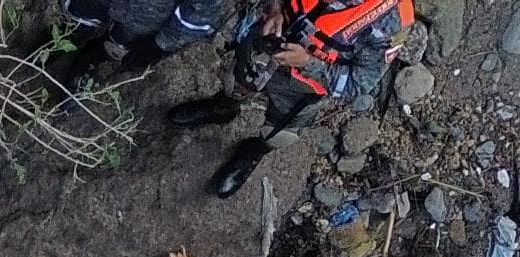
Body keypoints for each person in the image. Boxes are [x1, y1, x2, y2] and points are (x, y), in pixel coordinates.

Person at [168, 0, 413, 196]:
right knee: (236, 81)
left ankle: (254, 151)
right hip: (264, 45)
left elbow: (358, 84)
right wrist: (274, 8)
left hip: (302, 88)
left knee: (280, 135)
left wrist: (309, 64)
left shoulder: (392, 20)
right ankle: (223, 107)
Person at [59, 0, 221, 86]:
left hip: (148, 15)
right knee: (79, 15)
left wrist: (161, 44)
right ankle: (62, 39)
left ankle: (92, 57)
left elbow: (200, 14)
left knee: (121, 44)